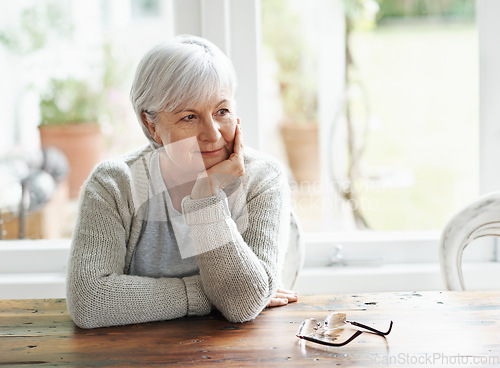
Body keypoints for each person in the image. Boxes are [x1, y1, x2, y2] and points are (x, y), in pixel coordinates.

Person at [66, 35, 298, 329]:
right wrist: (208, 294)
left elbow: (242, 306)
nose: (213, 134)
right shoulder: (114, 183)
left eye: (222, 111)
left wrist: (205, 200)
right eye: (189, 116)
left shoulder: (262, 178)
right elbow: (90, 301)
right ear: (152, 125)